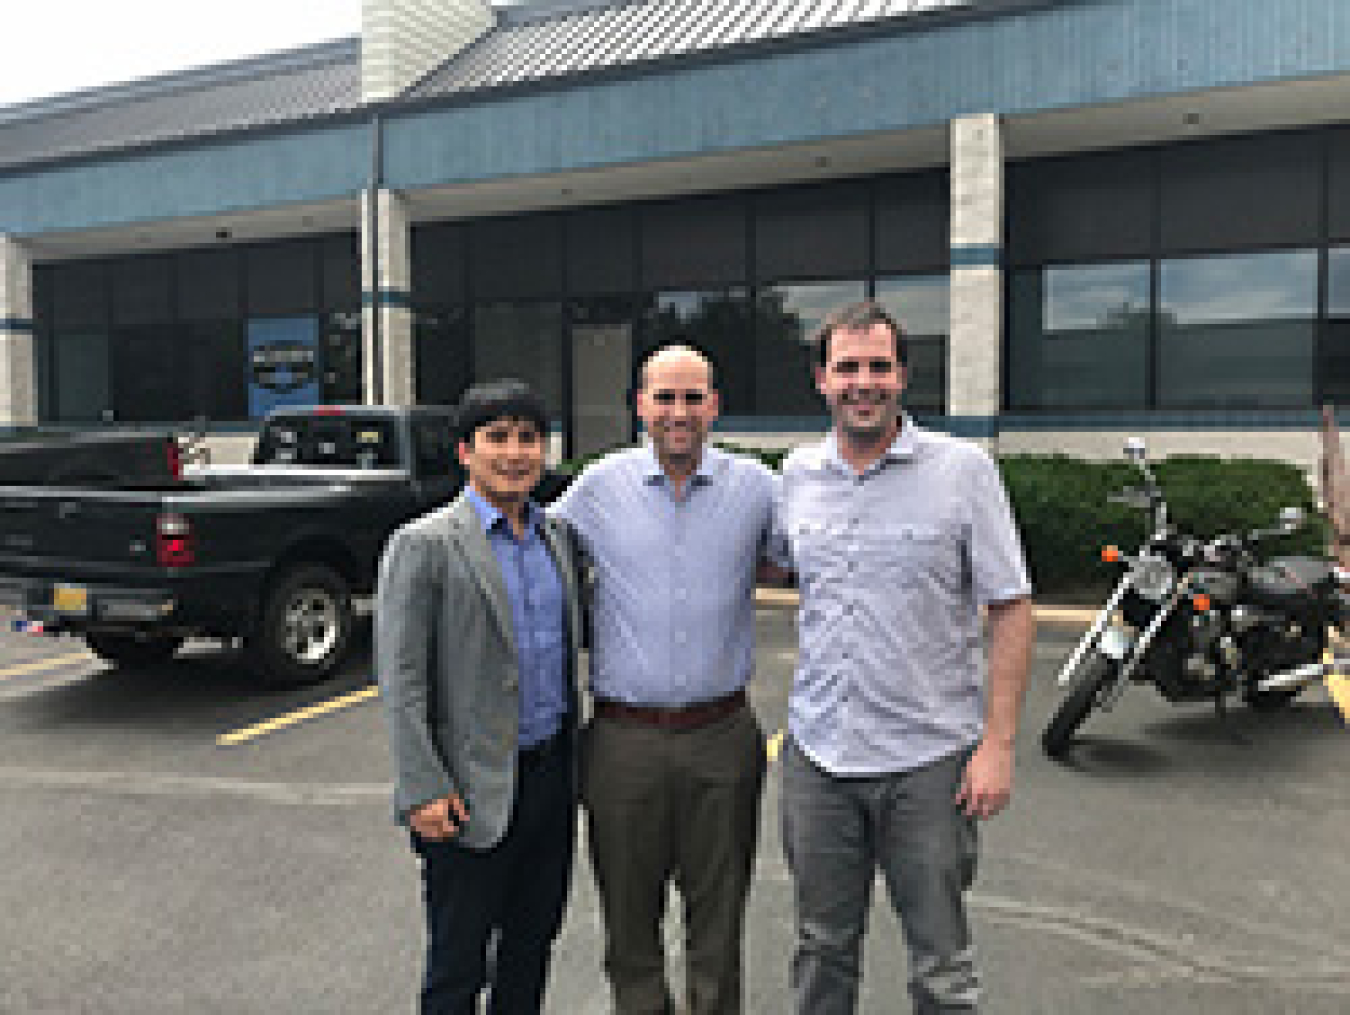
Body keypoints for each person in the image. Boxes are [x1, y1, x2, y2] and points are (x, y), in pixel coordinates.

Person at [771, 301, 1036, 1014]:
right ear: (821, 379)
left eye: (879, 366)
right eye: (847, 367)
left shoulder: (963, 472)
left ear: (903, 376)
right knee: (822, 946)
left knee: (941, 964)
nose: (864, 382)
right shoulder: (796, 475)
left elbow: (1011, 606)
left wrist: (998, 745)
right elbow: (772, 570)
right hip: (819, 758)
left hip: (930, 762)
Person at [549, 344, 776, 1015]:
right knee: (628, 922)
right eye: (665, 397)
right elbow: (529, 554)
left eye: (693, 397)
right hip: (624, 742)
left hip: (722, 738)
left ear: (715, 405)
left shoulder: (757, 487)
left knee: (719, 917)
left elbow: (819, 557)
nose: (679, 412)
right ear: (640, 404)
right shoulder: (597, 486)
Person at [375, 380, 585, 1015]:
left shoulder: (558, 539)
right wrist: (422, 787)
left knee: (531, 947)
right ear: (465, 451)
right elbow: (402, 680)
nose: (515, 454)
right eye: (497, 438)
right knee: (457, 968)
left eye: (528, 439)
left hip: (550, 784)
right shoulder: (425, 545)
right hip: (465, 793)